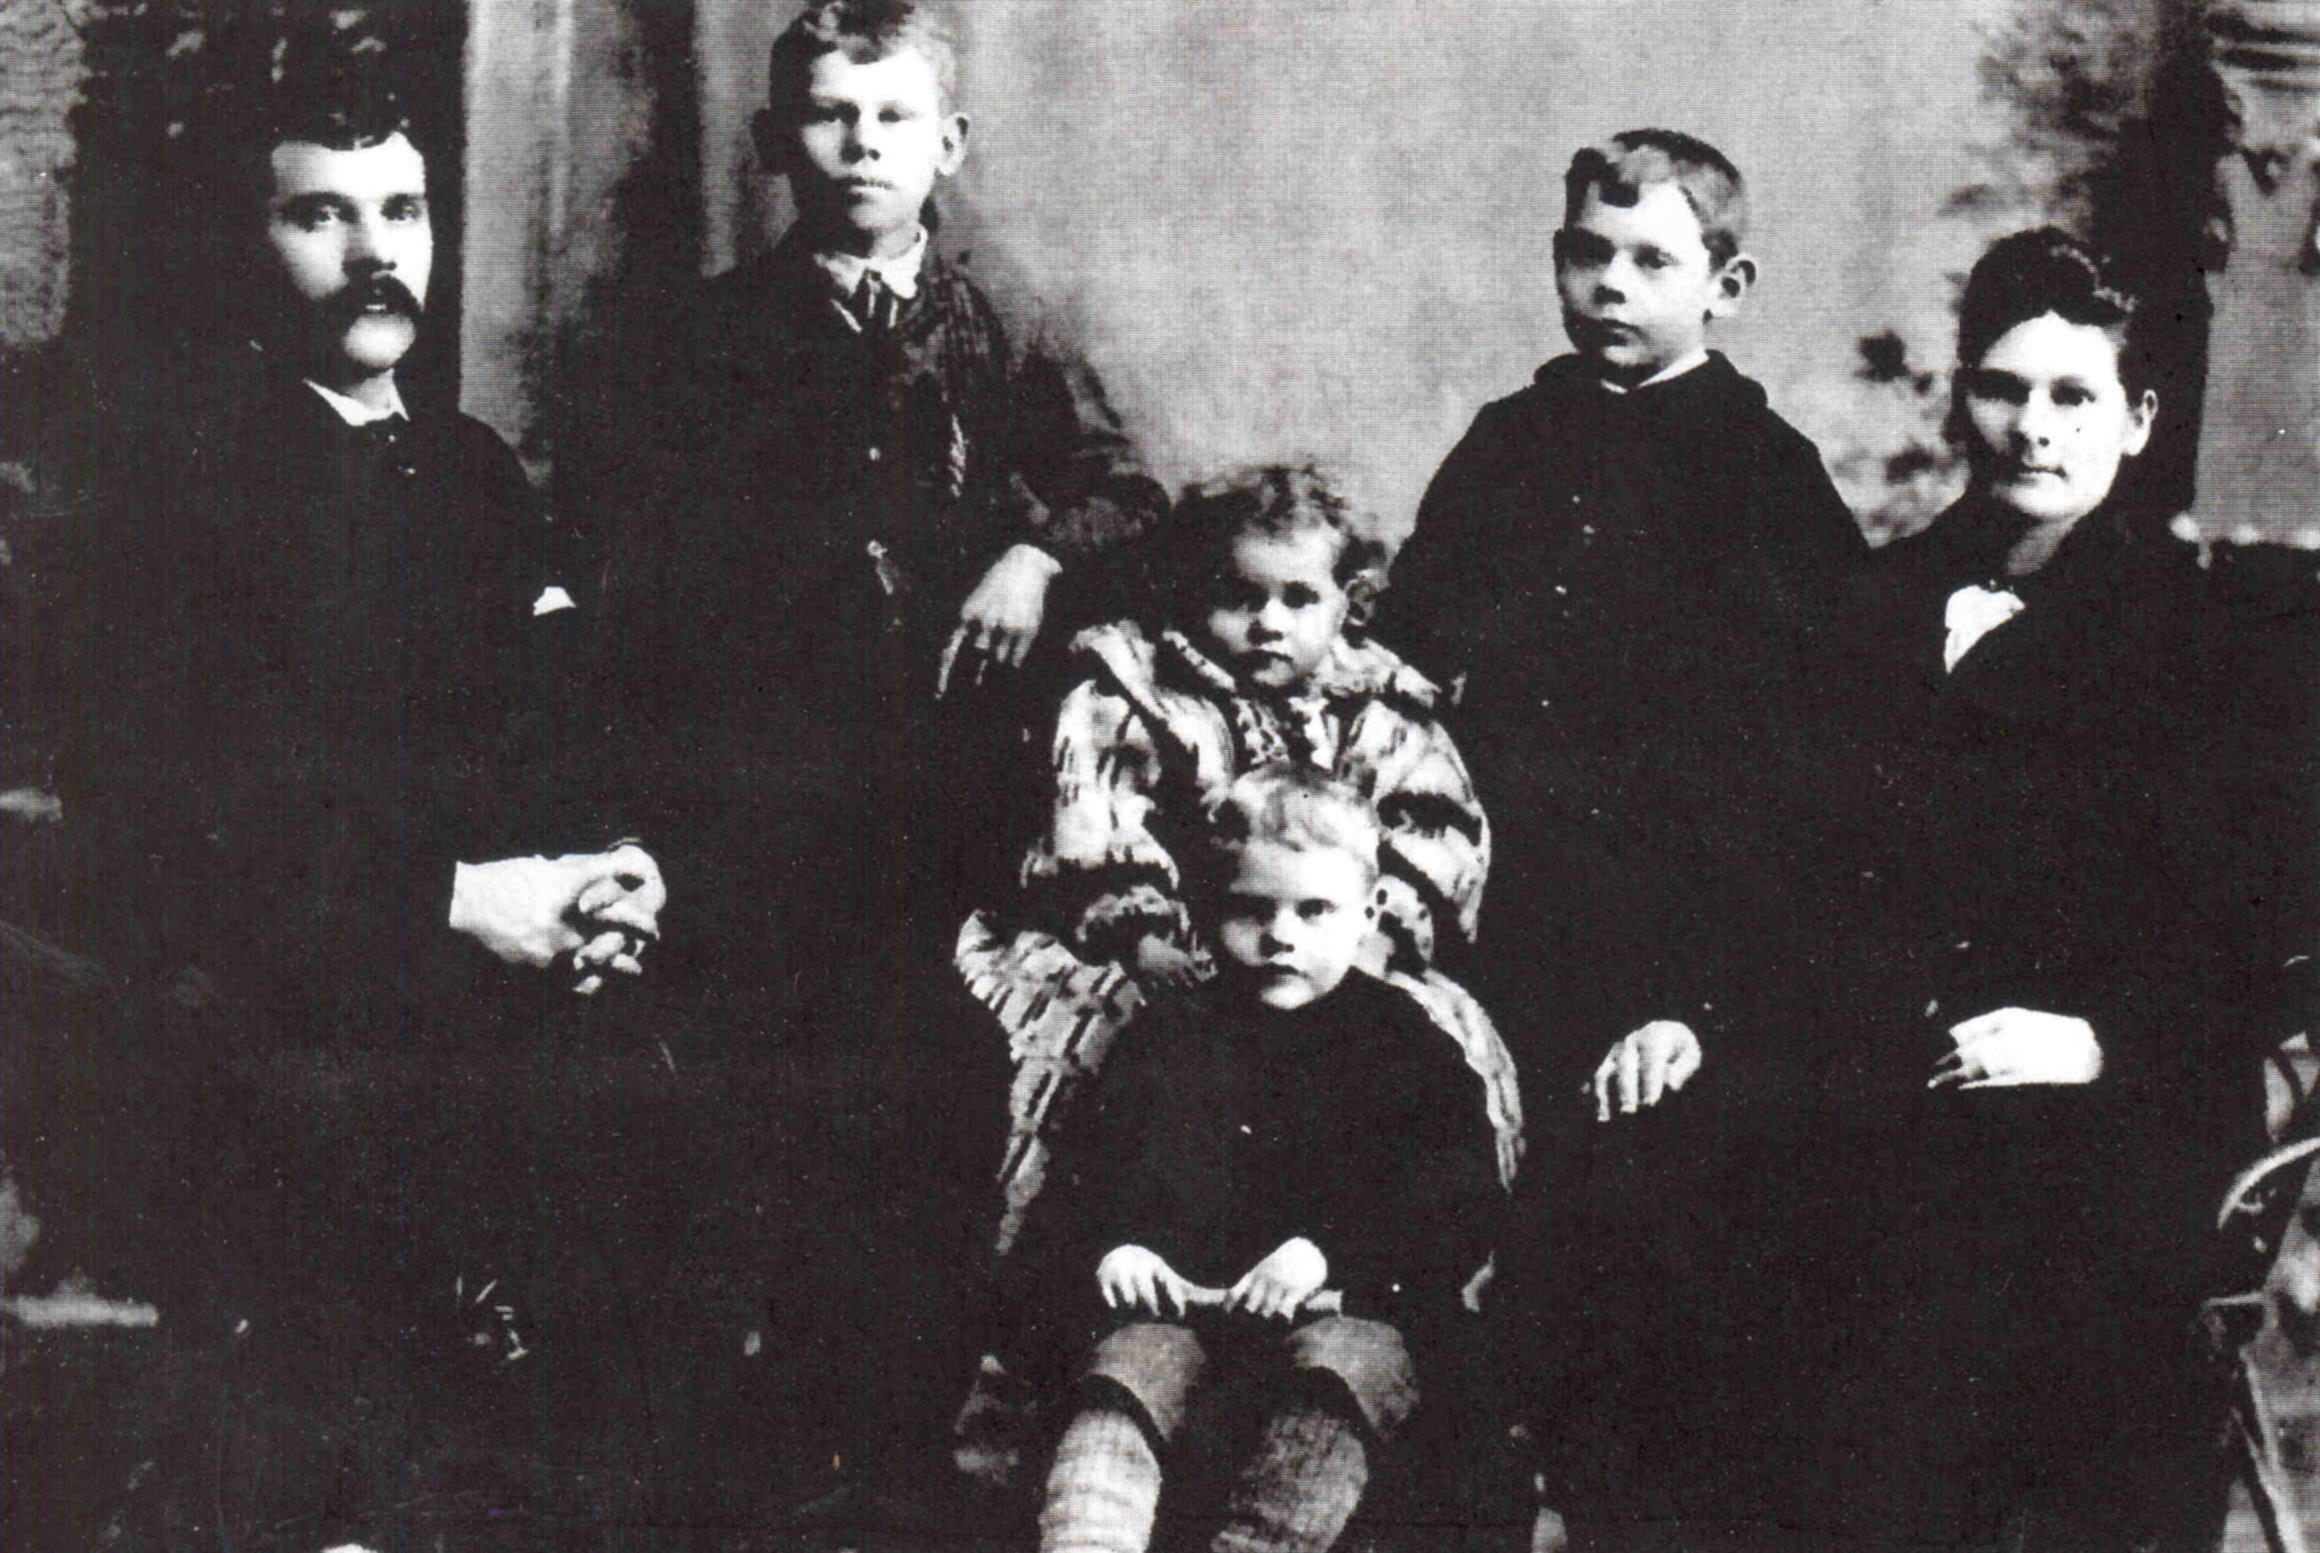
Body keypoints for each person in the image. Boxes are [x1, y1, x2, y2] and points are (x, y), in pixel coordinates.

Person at [6, 61, 668, 1548]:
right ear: (242, 242)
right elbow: (175, 823)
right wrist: (462, 900)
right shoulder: (167, 494)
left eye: (403, 210)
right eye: (321, 215)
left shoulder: (471, 468)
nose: (378, 252)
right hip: (285, 996)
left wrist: (620, 861)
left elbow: (567, 730)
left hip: (502, 972)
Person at [1383, 130, 1870, 1538]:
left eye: (1652, 260)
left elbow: (1814, 783)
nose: (1611, 285)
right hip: (1500, 922)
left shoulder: (1768, 478)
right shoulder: (1505, 446)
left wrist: (1697, 999)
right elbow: (1408, 665)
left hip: (1677, 955)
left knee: (1631, 1283)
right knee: (1442, 1239)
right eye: (1588, 254)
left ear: (1727, 284)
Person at [1821, 227, 2320, 1551]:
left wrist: (2099, 1040)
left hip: (2122, 1107)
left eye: (2072, 394)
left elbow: (2272, 943)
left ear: (2138, 418)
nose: (2031, 427)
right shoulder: (1873, 603)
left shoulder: (2216, 640)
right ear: (1961, 398)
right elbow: (1810, 880)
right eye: (2001, 388)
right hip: (1891, 1082)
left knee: (2020, 1292)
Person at [576, 0, 1167, 1023]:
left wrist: (1033, 558)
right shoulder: (702, 339)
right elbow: (639, 574)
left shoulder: (1002, 327)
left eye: (895, 116)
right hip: (764, 774)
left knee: (932, 1026)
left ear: (949, 144)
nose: (863, 145)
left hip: (953, 767)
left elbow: (1129, 494)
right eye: (829, 115)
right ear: (774, 142)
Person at [959, 462, 1516, 1255]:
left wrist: (1375, 934)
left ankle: (1356, 1260)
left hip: (1329, 946)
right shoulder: (1141, 691)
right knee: (1112, 1039)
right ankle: (1103, 1260)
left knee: (1419, 1040)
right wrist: (1142, 933)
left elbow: (1435, 830)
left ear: (1349, 603)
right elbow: (1099, 811)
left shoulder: (1384, 711)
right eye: (1241, 597)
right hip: (1170, 954)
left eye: (1299, 599)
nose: (1268, 624)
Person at [1024, 766, 1503, 1553]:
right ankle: (1088, 1537)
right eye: (1252, 909)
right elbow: (1083, 1181)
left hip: (1341, 1312)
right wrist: (1119, 1246)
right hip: (1182, 1314)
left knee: (1348, 1366)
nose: (1281, 934)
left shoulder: (1403, 1043)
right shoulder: (1171, 1035)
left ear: (1368, 913)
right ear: (1209, 910)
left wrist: (1325, 1255)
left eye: (1314, 910)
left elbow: (1459, 1198)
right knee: (1122, 1377)